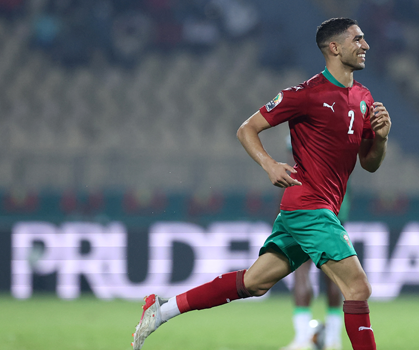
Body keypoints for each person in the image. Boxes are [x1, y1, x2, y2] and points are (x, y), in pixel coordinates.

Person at [131, 17, 391, 350]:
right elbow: (247, 128)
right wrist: (269, 164)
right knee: (358, 289)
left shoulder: (364, 97)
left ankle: (161, 310)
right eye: (358, 39)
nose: (365, 45)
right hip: (309, 206)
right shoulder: (306, 94)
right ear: (334, 48)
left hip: (318, 208)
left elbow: (369, 164)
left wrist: (380, 139)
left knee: (254, 283)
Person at [280, 136, 349, 350]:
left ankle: (303, 338)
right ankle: (333, 340)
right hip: (334, 215)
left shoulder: (298, 166)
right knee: (335, 277)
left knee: (302, 272)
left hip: (305, 213)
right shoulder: (335, 154)